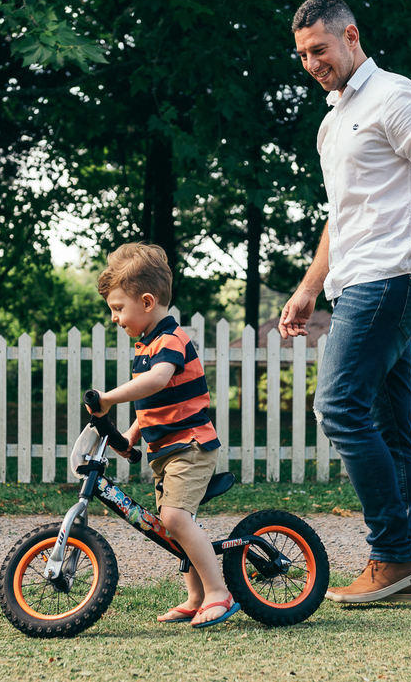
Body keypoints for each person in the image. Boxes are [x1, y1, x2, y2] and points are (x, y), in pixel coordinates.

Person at [279, 0, 411, 604]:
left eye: (320, 49)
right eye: (302, 54)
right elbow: (344, 215)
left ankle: (393, 554)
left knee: (338, 407)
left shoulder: (395, 95)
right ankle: (402, 571)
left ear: (351, 36)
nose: (312, 63)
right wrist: (310, 288)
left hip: (394, 278)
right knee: (390, 429)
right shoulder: (333, 120)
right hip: (357, 280)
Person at [85, 242, 235, 628]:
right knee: (172, 525)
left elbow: (157, 381)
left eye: (118, 308)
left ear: (147, 302)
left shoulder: (170, 341)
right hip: (165, 450)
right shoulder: (145, 345)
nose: (115, 318)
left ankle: (219, 592)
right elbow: (152, 403)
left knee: (174, 518)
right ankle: (196, 596)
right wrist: (130, 436)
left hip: (191, 446)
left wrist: (108, 399)